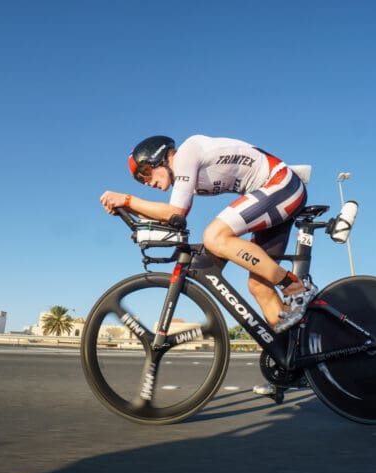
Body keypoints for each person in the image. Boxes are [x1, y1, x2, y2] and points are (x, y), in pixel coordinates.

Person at [100, 133, 318, 334]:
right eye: (140, 180)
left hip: (281, 184)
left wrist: (127, 200)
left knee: (215, 237)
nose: (146, 182)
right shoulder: (187, 179)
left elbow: (175, 213)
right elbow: (171, 218)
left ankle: (296, 287)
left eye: (145, 173)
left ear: (161, 158)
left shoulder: (186, 154)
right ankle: (291, 357)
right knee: (259, 286)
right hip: (272, 193)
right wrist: (127, 209)